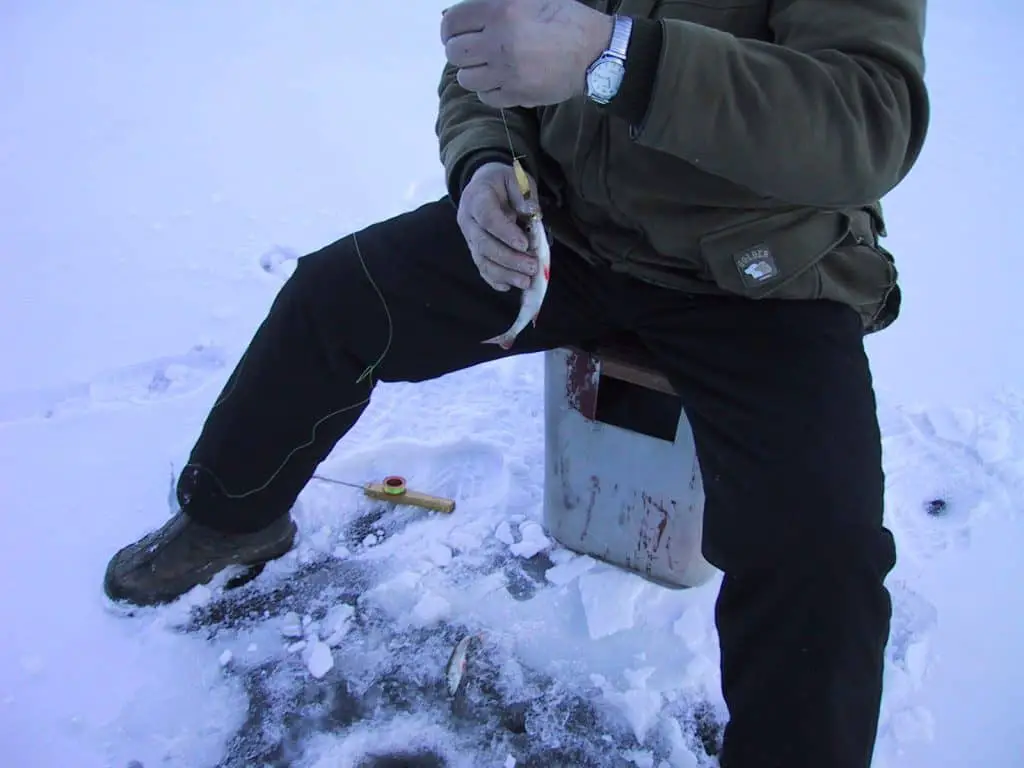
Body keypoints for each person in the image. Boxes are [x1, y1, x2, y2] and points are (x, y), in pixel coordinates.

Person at [104, 0, 929, 765]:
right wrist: (485, 165)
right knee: (332, 301)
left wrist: (617, 58)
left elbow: (869, 124)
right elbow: (482, 62)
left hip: (760, 272)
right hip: (561, 234)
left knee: (820, 553)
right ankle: (231, 519)